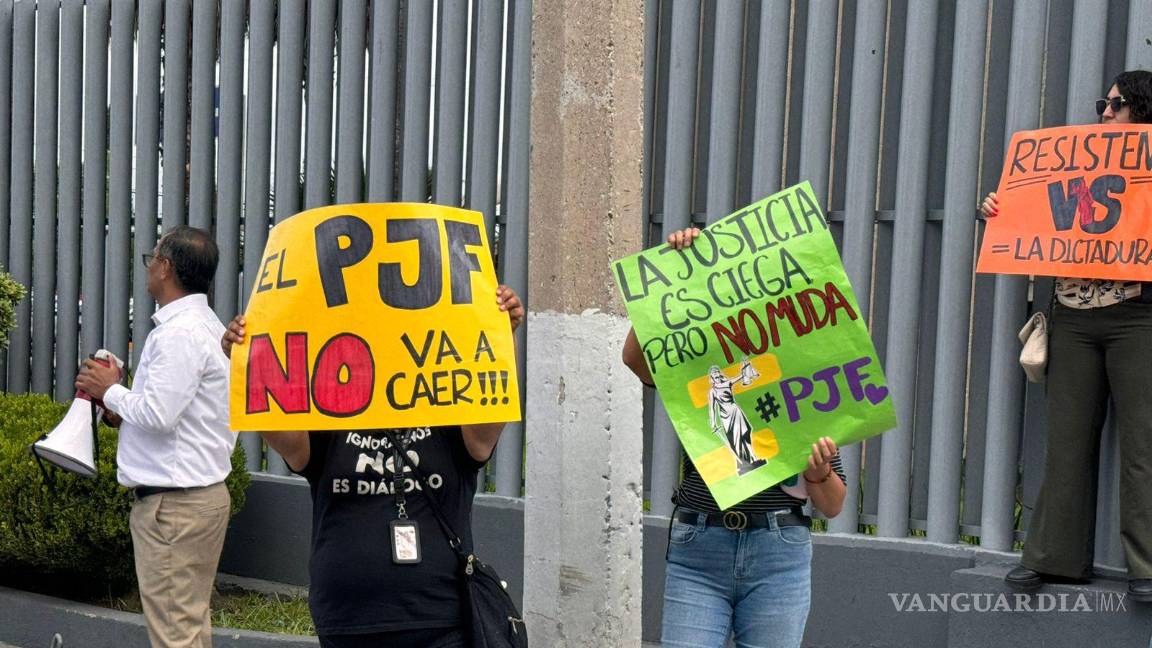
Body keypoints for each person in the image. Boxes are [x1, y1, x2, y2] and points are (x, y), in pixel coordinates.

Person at [221, 286, 523, 648]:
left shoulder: (451, 408)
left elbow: (490, 414)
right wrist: (248, 364)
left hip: (442, 624)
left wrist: (498, 333)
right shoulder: (328, 416)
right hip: (348, 624)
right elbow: (283, 436)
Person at [622, 227, 846, 648]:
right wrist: (669, 277)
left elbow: (833, 504)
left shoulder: (805, 374)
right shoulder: (697, 356)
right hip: (699, 547)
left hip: (780, 553)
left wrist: (818, 476)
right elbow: (635, 359)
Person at [981, 70, 1152, 602]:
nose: (1104, 112)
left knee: (1144, 444)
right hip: (1073, 319)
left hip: (1139, 319)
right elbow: (1035, 220)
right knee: (1067, 440)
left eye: (1116, 105)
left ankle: (1146, 568)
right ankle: (1054, 558)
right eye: (1104, 103)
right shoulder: (1077, 161)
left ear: (1142, 112)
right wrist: (997, 210)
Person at [76, 226, 237, 648]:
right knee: (188, 626)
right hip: (193, 499)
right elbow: (175, 417)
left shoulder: (179, 334)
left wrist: (108, 388)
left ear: (165, 267)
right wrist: (117, 408)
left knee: (175, 636)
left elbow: (159, 414)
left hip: (173, 508)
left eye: (152, 259)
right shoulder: (205, 326)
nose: (148, 267)